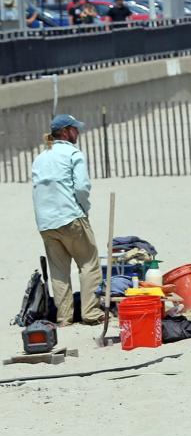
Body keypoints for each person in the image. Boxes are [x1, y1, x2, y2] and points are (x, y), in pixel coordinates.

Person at [31, 114, 102, 326]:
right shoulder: (73, 153)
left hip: (45, 223)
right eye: (74, 129)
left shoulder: (40, 157)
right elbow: (81, 187)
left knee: (58, 272)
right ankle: (90, 313)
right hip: (71, 216)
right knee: (89, 263)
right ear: (65, 132)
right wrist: (85, 209)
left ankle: (64, 318)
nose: (78, 132)